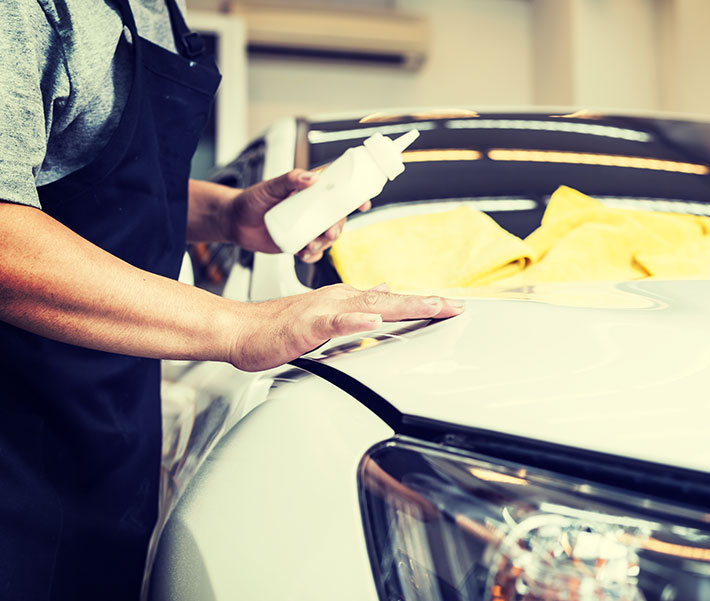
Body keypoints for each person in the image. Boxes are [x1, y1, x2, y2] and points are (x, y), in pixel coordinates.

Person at [0, 1, 463, 599]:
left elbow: (74, 167)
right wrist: (242, 327)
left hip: (108, 432)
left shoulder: (162, 12)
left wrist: (228, 213)